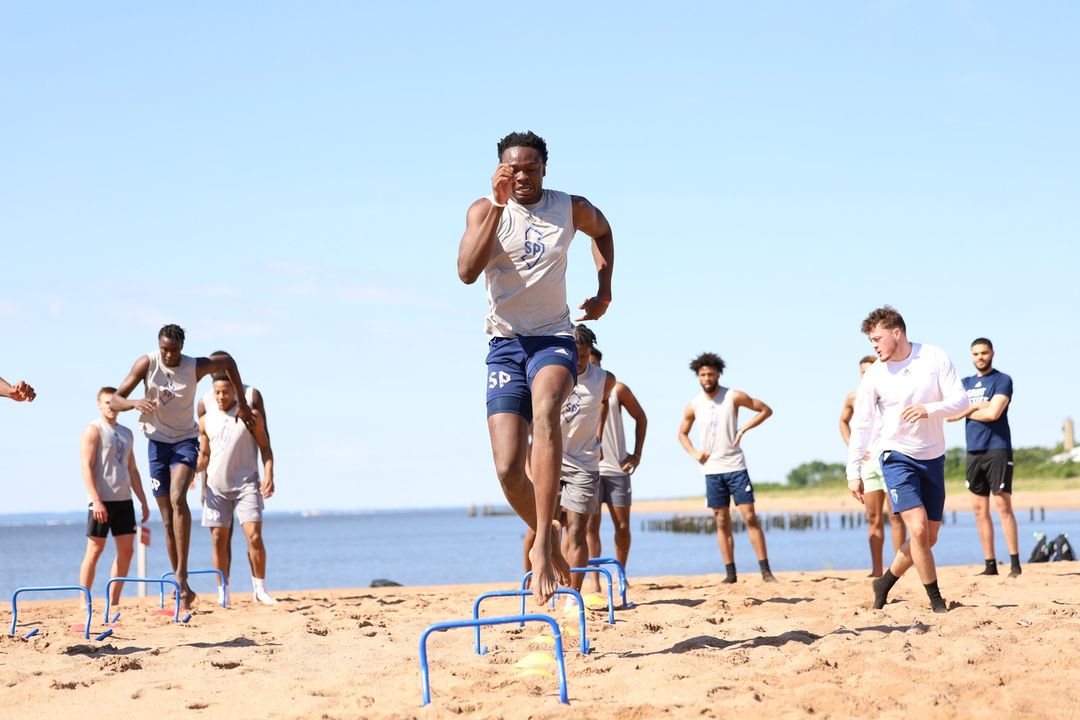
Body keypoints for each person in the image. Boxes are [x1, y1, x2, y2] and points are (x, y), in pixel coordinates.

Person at [457, 130, 615, 604]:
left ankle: (543, 545)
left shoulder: (569, 208)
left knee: (546, 409)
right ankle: (549, 529)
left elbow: (603, 231)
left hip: (553, 338)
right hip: (505, 345)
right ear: (499, 170)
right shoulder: (484, 211)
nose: (521, 176)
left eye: (530, 168)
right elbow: (466, 272)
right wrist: (498, 204)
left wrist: (604, 290)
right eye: (513, 169)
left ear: (544, 169)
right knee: (508, 468)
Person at [109, 324, 254, 610]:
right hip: (156, 444)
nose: (169, 355)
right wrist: (135, 403)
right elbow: (115, 399)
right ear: (158, 346)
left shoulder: (194, 367)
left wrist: (243, 403)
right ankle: (183, 588)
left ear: (182, 348)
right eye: (165, 349)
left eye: (174, 351)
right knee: (166, 517)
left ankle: (181, 574)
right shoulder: (146, 363)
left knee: (178, 497)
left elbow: (227, 361)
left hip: (185, 441)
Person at [846, 306, 968, 613]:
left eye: (877, 339)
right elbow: (861, 424)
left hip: (933, 456)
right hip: (896, 455)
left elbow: (961, 401)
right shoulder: (874, 375)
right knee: (918, 530)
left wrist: (930, 409)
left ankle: (884, 582)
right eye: (871, 341)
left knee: (930, 536)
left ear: (896, 332)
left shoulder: (933, 356)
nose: (874, 346)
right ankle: (937, 601)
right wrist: (853, 471)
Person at [678, 352, 776, 583]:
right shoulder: (694, 405)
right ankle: (730, 574)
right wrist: (695, 454)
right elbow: (682, 433)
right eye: (703, 374)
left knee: (749, 517)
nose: (707, 378)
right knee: (721, 521)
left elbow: (765, 410)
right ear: (698, 376)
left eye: (711, 374)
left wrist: (743, 429)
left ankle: (766, 571)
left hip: (736, 467)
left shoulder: (733, 396)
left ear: (718, 374)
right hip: (712, 471)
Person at [197, 374, 276, 604]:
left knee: (254, 536)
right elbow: (204, 455)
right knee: (218, 539)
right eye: (217, 392)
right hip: (216, 487)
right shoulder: (206, 419)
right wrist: (193, 471)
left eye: (226, 392)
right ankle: (223, 591)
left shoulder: (250, 415)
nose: (221, 396)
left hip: (246, 484)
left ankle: (260, 589)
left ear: (236, 391)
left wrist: (269, 475)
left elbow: (265, 448)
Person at [948, 338, 1021, 577]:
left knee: (1003, 506)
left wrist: (966, 411)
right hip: (973, 452)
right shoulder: (965, 383)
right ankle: (990, 565)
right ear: (971, 356)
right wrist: (976, 406)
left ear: (992, 353)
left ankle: (1015, 564)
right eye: (976, 353)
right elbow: (951, 412)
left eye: (984, 353)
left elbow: (993, 413)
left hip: (997, 450)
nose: (980, 357)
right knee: (979, 511)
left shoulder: (1002, 380)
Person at [79, 387, 151, 607]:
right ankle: (84, 600)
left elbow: (133, 469)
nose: (111, 407)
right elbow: (86, 466)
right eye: (107, 402)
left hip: (124, 500)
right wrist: (96, 499)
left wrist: (143, 501)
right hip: (101, 500)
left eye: (114, 402)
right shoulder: (94, 430)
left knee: (127, 551)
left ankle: (114, 600)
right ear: (99, 404)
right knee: (95, 550)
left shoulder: (127, 433)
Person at [584, 346, 647, 594]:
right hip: (589, 469)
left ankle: (621, 573)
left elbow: (641, 417)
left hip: (617, 469)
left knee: (622, 526)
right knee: (590, 527)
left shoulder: (617, 389)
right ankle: (594, 579)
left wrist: (636, 454)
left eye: (593, 363)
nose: (589, 367)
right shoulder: (575, 390)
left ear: (600, 365)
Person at [840, 355, 907, 576]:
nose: (865, 375)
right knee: (873, 517)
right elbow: (842, 421)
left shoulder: (892, 390)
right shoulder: (853, 396)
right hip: (868, 464)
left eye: (869, 371)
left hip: (890, 459)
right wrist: (853, 447)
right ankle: (877, 569)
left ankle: (898, 569)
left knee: (896, 516)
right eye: (862, 372)